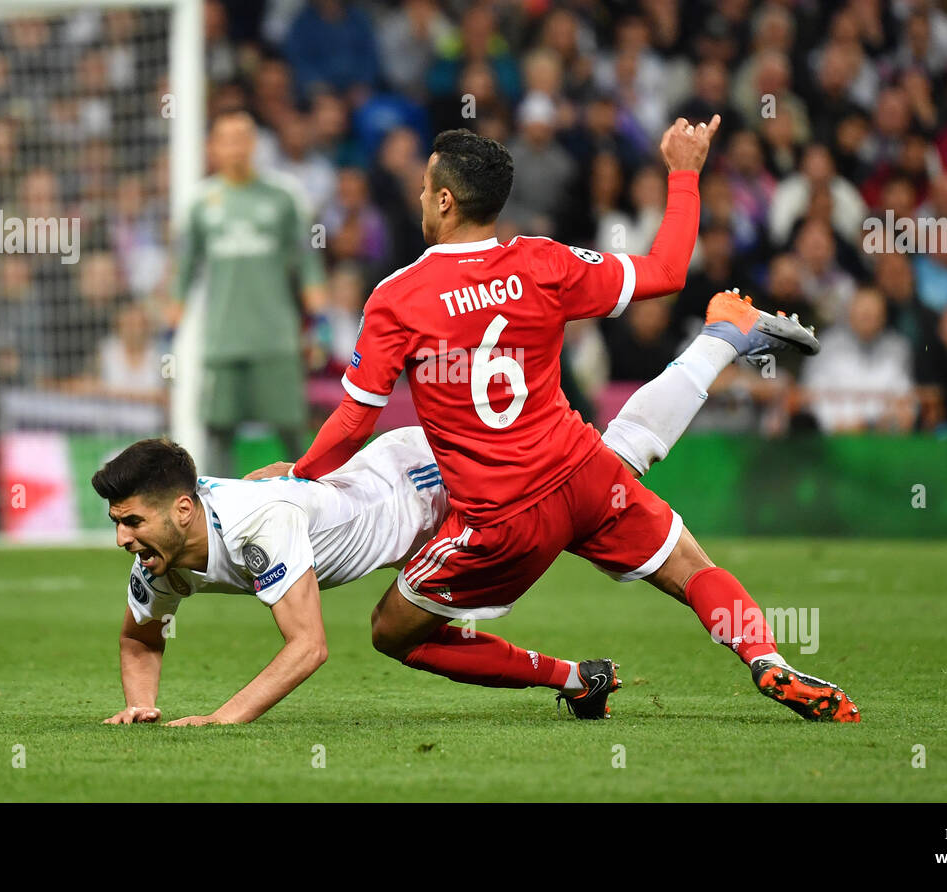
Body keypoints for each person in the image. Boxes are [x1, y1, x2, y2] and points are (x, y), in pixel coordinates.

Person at [283, 123, 860, 723]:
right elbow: (666, 271)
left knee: (391, 631)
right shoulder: (545, 261)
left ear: (445, 200)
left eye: (427, 189)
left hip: (502, 519)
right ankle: (766, 658)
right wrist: (684, 171)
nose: (422, 198)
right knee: (692, 567)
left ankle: (573, 678)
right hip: (587, 478)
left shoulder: (398, 297)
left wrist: (299, 479)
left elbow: (354, 421)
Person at [95, 304, 806, 727]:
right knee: (611, 471)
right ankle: (578, 680)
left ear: (184, 511)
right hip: (393, 482)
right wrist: (142, 706)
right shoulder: (161, 554)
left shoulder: (258, 524)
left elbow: (307, 647)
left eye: (131, 522)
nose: (123, 539)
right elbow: (139, 640)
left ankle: (718, 336)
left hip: (422, 479)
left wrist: (224, 717)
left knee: (605, 477)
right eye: (120, 524)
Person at [174, 109, 327, 476]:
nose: (235, 147)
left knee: (291, 429)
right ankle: (216, 516)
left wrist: (318, 324)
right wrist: (171, 327)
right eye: (226, 139)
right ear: (213, 147)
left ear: (254, 143)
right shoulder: (199, 203)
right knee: (217, 432)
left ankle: (312, 504)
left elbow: (307, 262)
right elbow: (183, 269)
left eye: (242, 138)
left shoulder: (283, 196)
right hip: (223, 341)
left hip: (275, 338)